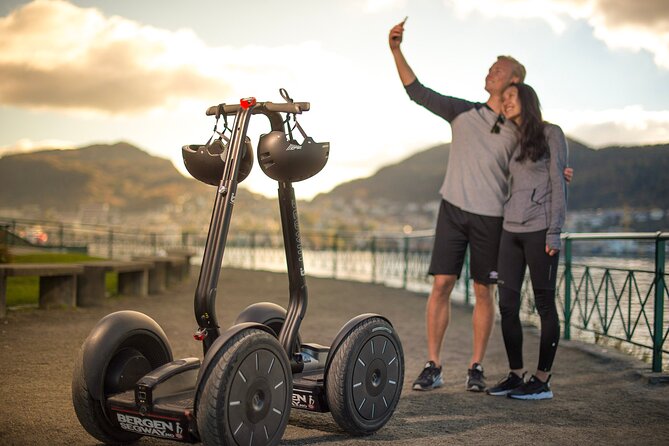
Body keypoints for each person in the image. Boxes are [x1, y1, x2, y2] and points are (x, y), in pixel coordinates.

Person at [389, 21, 525, 392]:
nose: (490, 72)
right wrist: (396, 50)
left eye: (498, 69)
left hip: (492, 218)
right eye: (489, 67)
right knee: (442, 286)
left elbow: (541, 163)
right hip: (452, 210)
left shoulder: (520, 133)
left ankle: (476, 367)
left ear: (514, 83)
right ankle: (433, 365)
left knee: (484, 292)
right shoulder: (462, 112)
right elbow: (416, 91)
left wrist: (562, 169)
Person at [486, 83, 568, 400]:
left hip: (539, 229)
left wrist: (555, 230)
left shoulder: (551, 133)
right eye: (503, 98)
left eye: (511, 97)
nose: (505, 102)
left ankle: (542, 380)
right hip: (511, 230)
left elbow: (558, 183)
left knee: (545, 304)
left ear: (527, 100)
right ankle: (516, 374)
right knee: (507, 305)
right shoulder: (512, 139)